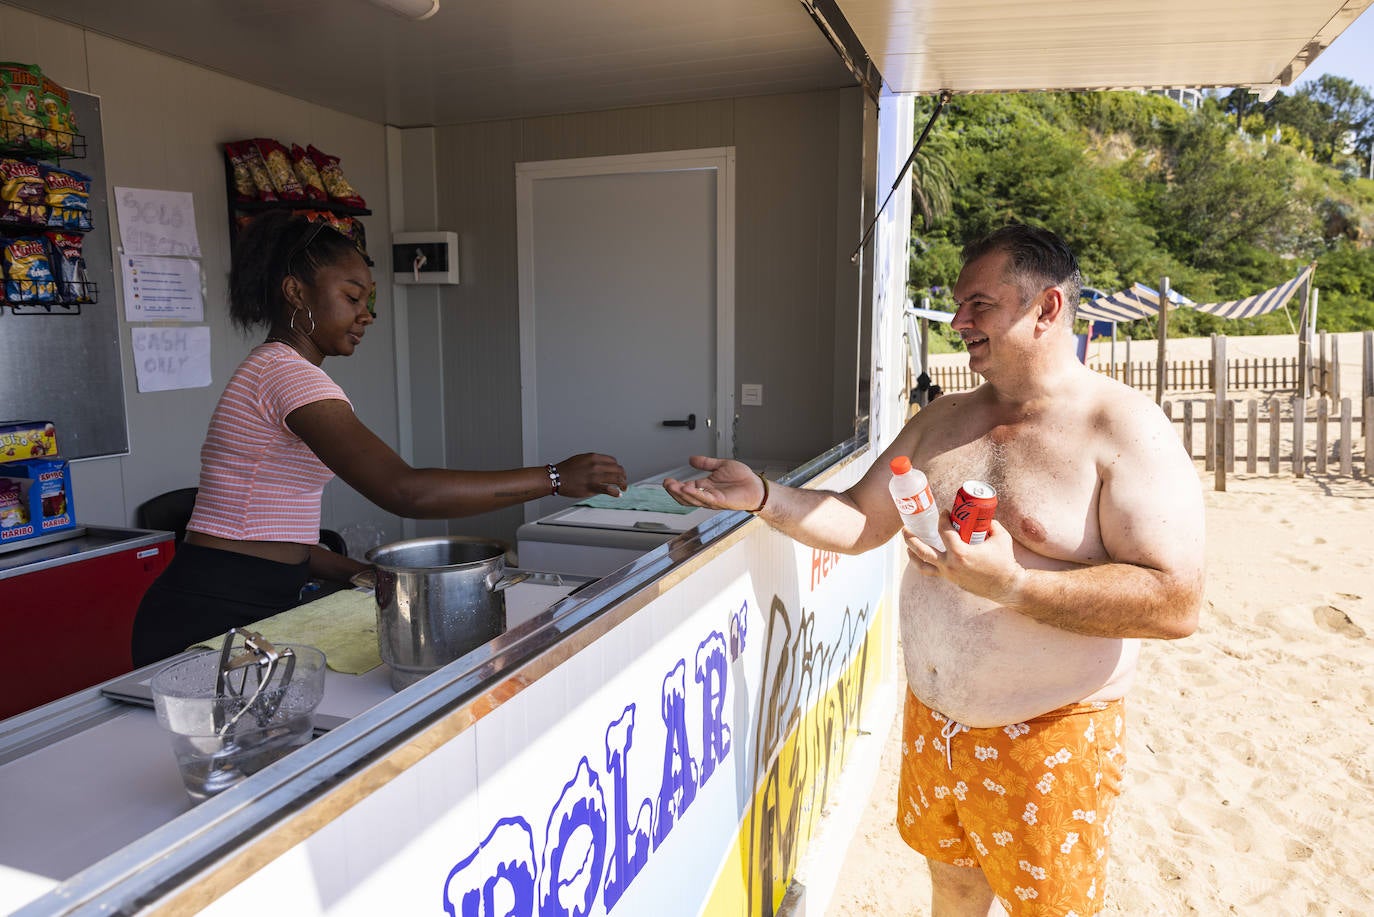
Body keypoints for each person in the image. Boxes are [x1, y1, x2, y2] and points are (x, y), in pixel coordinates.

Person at [664, 224, 1204, 916]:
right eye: (958, 304)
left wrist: (1013, 583)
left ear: (1047, 309)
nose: (958, 322)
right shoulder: (942, 419)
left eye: (979, 304)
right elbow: (861, 520)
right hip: (934, 725)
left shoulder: (1124, 428)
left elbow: (1174, 600)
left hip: (1050, 733)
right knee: (951, 887)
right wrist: (765, 496)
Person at [132, 212, 627, 667]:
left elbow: (273, 533)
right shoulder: (287, 375)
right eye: (351, 297)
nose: (366, 314)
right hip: (209, 609)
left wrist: (359, 572)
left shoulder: (277, 370)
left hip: (245, 596)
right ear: (295, 293)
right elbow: (404, 490)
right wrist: (554, 478)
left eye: (367, 300)